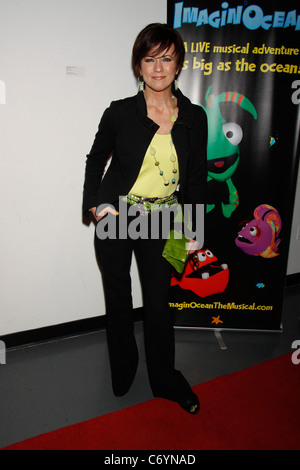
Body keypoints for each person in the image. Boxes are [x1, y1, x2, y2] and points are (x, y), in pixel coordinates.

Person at [82, 23, 207, 414]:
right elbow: (95, 159)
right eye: (150, 59)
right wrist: (94, 204)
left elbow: (197, 176)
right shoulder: (120, 112)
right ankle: (124, 368)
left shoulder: (194, 116)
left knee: (159, 303)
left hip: (165, 219)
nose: (158, 68)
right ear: (139, 66)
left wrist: (194, 226)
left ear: (178, 64)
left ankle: (165, 379)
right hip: (118, 216)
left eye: (166, 58)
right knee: (118, 299)